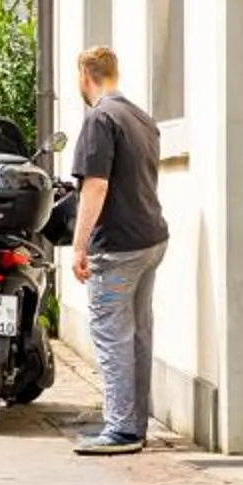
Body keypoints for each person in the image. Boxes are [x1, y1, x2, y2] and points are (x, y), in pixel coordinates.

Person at [67, 45, 170, 456]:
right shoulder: (141, 118)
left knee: (112, 334)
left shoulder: (100, 118)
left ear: (85, 76)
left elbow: (97, 185)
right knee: (138, 333)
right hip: (151, 238)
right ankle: (135, 423)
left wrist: (79, 245)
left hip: (120, 246)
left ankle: (122, 429)